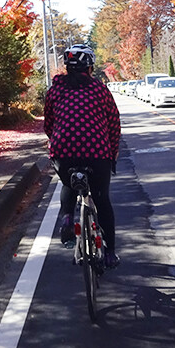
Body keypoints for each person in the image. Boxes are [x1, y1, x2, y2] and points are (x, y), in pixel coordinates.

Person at [43, 44, 122, 268]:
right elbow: (113, 123)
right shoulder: (99, 89)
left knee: (68, 182)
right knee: (102, 201)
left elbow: (49, 124)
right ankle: (110, 253)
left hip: (63, 151)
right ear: (89, 68)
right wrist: (113, 151)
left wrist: (59, 141)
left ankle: (67, 218)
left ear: (67, 67)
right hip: (97, 153)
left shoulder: (55, 90)